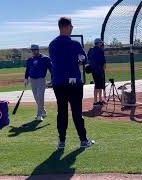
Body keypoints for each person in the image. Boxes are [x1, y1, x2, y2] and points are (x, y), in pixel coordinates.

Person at [49, 17, 95, 149]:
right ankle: (83, 140)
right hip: (74, 83)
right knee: (76, 112)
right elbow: (83, 59)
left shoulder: (52, 44)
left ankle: (62, 142)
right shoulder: (75, 44)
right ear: (66, 27)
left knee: (62, 112)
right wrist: (78, 61)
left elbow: (57, 62)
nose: (72, 28)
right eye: (71, 26)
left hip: (58, 83)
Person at [24, 44, 52, 121]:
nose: (33, 51)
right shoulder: (30, 59)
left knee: (40, 97)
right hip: (32, 80)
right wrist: (26, 78)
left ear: (38, 50)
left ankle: (39, 115)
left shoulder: (45, 58)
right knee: (36, 98)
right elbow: (27, 70)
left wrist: (53, 78)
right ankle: (43, 111)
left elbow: (51, 69)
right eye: (32, 50)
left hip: (41, 80)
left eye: (35, 50)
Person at [87, 38, 106, 106]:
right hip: (99, 70)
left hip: (93, 70)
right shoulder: (100, 50)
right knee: (99, 85)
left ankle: (99, 100)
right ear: (98, 43)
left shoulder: (90, 50)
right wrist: (104, 69)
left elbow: (88, 59)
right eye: (100, 43)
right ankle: (96, 101)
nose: (101, 44)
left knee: (98, 85)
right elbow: (103, 61)